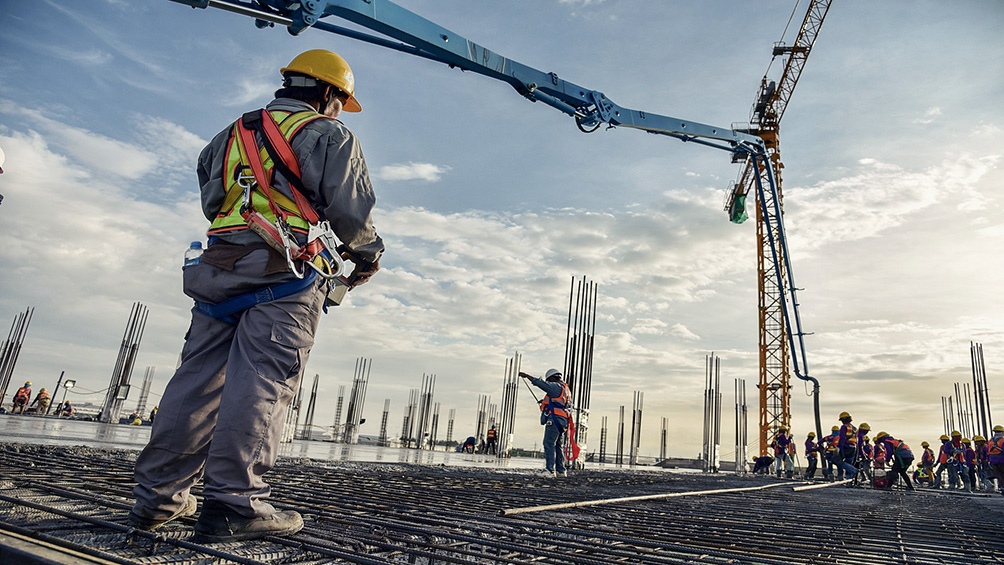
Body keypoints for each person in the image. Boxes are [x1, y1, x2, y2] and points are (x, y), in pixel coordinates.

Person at [129, 49, 384, 542]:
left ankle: (157, 499)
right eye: (339, 101)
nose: (338, 110)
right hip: (284, 275)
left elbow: (211, 199)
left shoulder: (229, 134)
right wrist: (369, 256)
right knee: (262, 382)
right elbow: (351, 213)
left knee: (196, 383)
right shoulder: (330, 134)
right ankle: (234, 503)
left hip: (218, 269)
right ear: (328, 93)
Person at [519, 368, 571, 477]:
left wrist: (527, 375)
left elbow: (541, 384)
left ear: (552, 378)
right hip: (562, 421)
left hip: (555, 419)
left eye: (549, 380)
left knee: (548, 443)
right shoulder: (565, 389)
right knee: (557, 445)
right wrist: (544, 402)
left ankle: (550, 470)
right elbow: (559, 403)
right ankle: (561, 471)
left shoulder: (555, 386)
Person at [835, 412, 858, 482]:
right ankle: (848, 480)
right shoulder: (854, 428)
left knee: (836, 460)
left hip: (845, 447)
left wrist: (838, 447)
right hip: (853, 447)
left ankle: (854, 470)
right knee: (848, 463)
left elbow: (842, 438)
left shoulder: (844, 427)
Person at [987, 425, 1004, 495]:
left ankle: (1002, 488)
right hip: (1001, 460)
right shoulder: (1002, 440)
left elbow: (987, 452)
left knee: (999, 476)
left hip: (993, 461)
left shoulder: (990, 441)